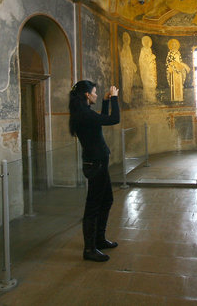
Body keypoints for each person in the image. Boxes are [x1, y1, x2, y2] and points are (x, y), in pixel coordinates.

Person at [69, 80, 120, 262]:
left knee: (107, 199)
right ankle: (89, 249)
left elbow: (102, 121)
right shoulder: (83, 114)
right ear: (87, 95)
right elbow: (114, 120)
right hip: (95, 164)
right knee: (93, 206)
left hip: (98, 162)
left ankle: (99, 239)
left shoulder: (85, 113)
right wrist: (114, 98)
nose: (97, 95)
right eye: (95, 92)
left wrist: (106, 102)